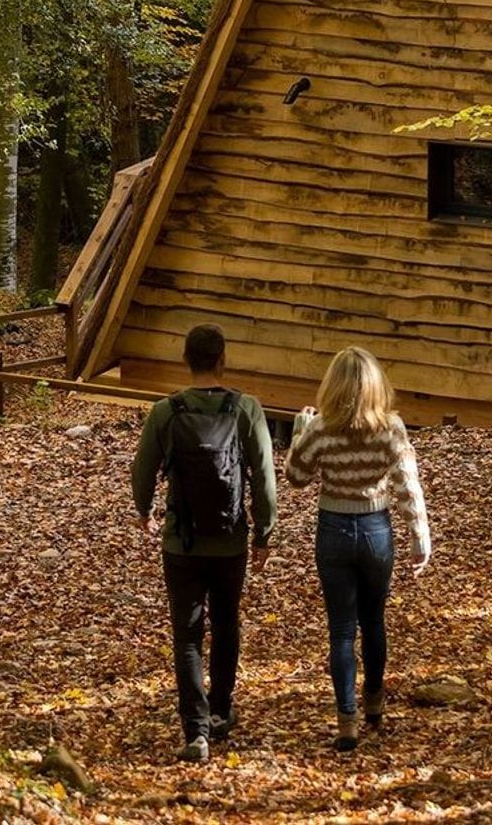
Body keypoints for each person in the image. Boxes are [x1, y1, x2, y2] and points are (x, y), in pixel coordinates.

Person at [132, 322, 277, 764]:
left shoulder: (166, 411)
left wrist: (145, 511)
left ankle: (195, 730)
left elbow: (142, 470)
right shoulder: (246, 409)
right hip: (230, 540)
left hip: (182, 542)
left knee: (188, 636)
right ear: (222, 359)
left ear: (186, 360)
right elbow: (265, 476)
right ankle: (221, 710)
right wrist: (263, 532)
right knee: (227, 624)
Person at [286, 346, 430, 752]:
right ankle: (374, 701)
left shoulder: (321, 429)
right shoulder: (391, 428)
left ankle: (346, 719)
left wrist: (300, 430)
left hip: (333, 530)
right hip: (375, 529)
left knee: (341, 630)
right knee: (374, 621)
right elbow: (407, 486)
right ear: (375, 386)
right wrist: (420, 539)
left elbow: (296, 476)